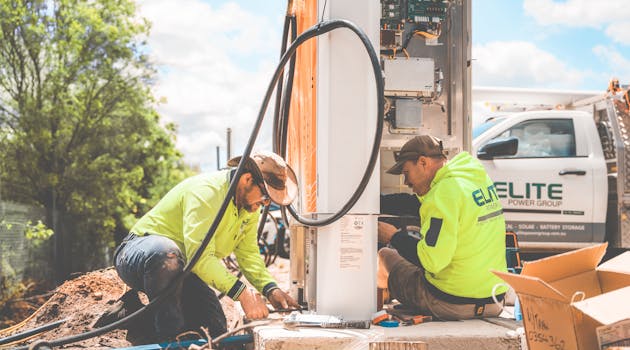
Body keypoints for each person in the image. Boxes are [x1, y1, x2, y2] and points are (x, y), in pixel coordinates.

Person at [113, 150, 300, 340]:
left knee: (215, 327)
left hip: (181, 269)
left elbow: (249, 253)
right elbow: (201, 258)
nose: (264, 203)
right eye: (265, 196)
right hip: (138, 254)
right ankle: (165, 337)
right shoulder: (207, 193)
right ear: (247, 179)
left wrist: (270, 289)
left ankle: (150, 320)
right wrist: (242, 293)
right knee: (166, 256)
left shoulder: (249, 208)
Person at [377, 135, 508, 320]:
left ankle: (375, 312)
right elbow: (420, 204)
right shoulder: (473, 177)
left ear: (423, 162)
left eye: (406, 173)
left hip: (451, 303)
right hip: (494, 301)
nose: (407, 183)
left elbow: (432, 262)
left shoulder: (441, 195)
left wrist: (394, 237)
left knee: (385, 256)